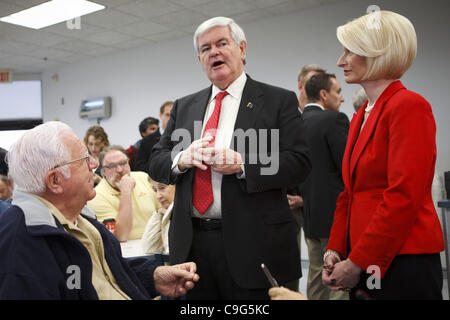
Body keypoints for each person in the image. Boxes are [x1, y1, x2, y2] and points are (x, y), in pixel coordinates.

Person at [149, 16, 311, 300]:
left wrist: (243, 164)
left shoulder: (277, 101)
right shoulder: (185, 106)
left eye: (222, 43)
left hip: (255, 244)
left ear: (242, 49)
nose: (214, 52)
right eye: (205, 48)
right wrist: (182, 158)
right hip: (192, 247)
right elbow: (156, 161)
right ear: (199, 58)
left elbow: (299, 162)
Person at [322, 10, 444, 300]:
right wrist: (335, 248)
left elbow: (403, 196)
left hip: (402, 259)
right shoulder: (361, 116)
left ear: (376, 53)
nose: (340, 62)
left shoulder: (409, 106)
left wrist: (359, 260)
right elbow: (348, 194)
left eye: (349, 52)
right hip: (365, 256)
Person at [0, 121, 199, 299]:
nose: (94, 165)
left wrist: (154, 277)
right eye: (85, 160)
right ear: (55, 180)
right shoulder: (22, 243)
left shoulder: (80, 218)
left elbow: (108, 274)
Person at [299, 73, 349, 300]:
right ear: (323, 94)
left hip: (309, 216)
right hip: (335, 216)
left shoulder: (294, 124)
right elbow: (349, 169)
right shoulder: (334, 120)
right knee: (338, 278)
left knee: (317, 275)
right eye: (338, 92)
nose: (342, 98)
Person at [87, 145, 160, 242]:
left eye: (123, 163)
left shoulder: (143, 178)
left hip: (155, 245)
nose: (120, 170)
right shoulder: (97, 197)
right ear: (103, 171)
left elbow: (163, 213)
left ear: (129, 163)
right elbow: (121, 236)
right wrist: (126, 192)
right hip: (127, 253)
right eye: (112, 166)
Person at [141, 179, 175, 254]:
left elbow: (171, 251)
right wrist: (158, 214)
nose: (158, 196)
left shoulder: (188, 212)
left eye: (162, 188)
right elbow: (149, 248)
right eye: (155, 190)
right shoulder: (167, 213)